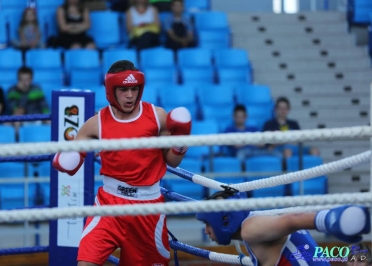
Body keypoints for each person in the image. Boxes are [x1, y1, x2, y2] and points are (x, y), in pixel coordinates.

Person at [52, 60, 192, 266]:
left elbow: (171, 160)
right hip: (109, 205)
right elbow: (70, 163)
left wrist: (180, 143)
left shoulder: (157, 116)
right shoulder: (96, 123)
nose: (130, 95)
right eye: (124, 90)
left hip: (147, 209)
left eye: (134, 89)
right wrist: (70, 156)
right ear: (111, 91)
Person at [196, 189, 371, 266]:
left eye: (207, 224)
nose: (206, 231)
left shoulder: (250, 228)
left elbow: (292, 220)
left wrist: (331, 220)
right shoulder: (255, 226)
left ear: (223, 220)